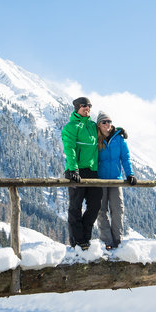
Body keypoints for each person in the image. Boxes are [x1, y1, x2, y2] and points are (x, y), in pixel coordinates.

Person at [61, 96, 102, 249]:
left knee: (95, 205)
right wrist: (73, 169)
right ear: (77, 107)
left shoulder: (92, 126)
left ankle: (85, 237)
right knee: (75, 207)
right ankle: (77, 241)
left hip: (92, 171)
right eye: (84, 105)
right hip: (75, 171)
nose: (87, 108)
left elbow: (106, 130)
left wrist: (118, 131)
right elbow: (69, 149)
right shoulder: (71, 127)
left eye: (90, 106)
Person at [95, 110, 136, 250]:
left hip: (115, 180)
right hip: (99, 181)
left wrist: (129, 174)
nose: (107, 124)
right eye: (104, 122)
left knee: (117, 210)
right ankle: (107, 242)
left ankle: (118, 241)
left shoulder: (119, 138)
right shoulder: (95, 138)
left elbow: (125, 157)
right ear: (99, 125)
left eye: (109, 122)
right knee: (101, 211)